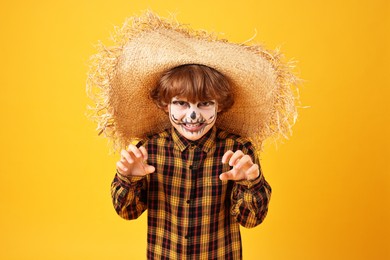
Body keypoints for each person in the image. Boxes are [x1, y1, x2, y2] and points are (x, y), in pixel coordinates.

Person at [87, 11, 298, 260]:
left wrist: (250, 182)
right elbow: (127, 212)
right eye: (182, 104)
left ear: (220, 105)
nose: (193, 116)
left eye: (205, 104)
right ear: (166, 105)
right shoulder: (149, 150)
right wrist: (128, 178)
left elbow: (251, 220)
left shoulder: (238, 151)